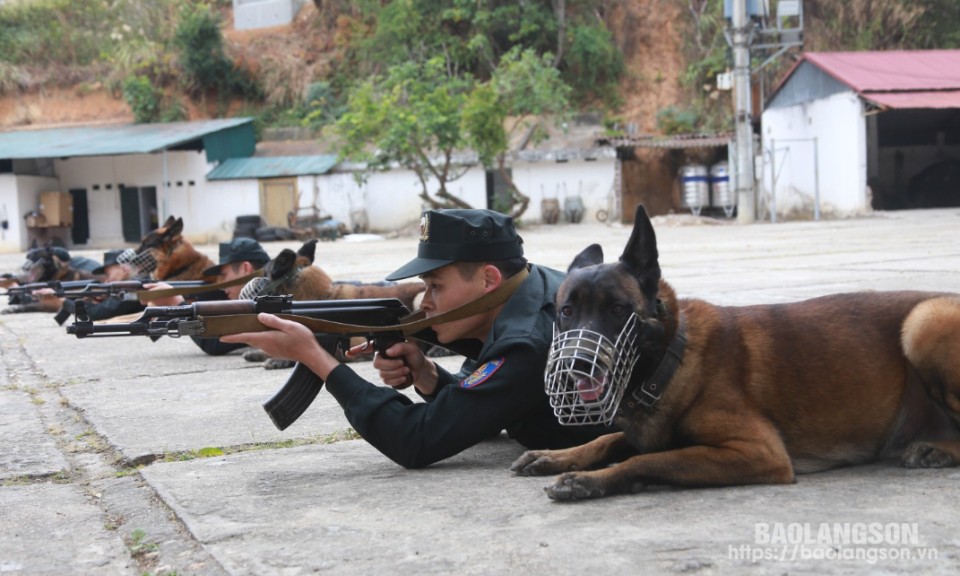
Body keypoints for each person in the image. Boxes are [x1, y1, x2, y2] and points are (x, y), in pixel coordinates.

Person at [222, 209, 613, 468]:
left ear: (488, 279)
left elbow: (416, 439)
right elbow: (487, 407)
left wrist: (317, 359)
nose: (425, 302)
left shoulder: (526, 342)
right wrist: (427, 374)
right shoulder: (530, 286)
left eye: (435, 285)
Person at [142, 237, 270, 355]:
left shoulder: (268, 298)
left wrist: (179, 307)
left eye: (224, 275)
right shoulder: (267, 289)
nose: (221, 284)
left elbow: (215, 343)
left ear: (245, 269)